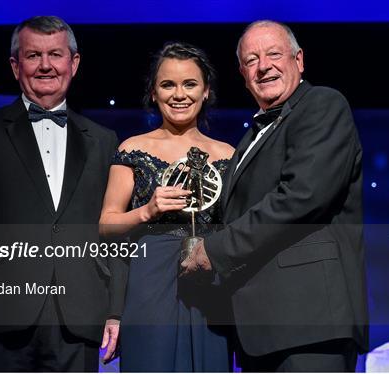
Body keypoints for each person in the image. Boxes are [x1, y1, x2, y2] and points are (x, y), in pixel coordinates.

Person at [0, 16, 127, 372]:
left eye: (55, 54)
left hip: (79, 315)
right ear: (15, 65)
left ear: (74, 62)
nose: (45, 65)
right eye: (33, 55)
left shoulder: (103, 140)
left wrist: (115, 310)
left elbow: (112, 231)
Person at [181, 20, 369, 372]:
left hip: (309, 323)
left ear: (299, 60)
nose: (263, 65)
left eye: (273, 54)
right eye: (251, 59)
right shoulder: (251, 135)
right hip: (258, 330)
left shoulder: (322, 104)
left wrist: (214, 250)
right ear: (242, 73)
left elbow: (301, 196)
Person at [99, 42, 235, 372]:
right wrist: (147, 210)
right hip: (149, 279)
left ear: (206, 92)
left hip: (209, 281)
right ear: (154, 93)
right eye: (167, 84)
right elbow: (106, 225)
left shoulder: (229, 154)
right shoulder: (133, 148)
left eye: (190, 84)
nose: (179, 94)